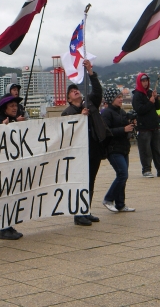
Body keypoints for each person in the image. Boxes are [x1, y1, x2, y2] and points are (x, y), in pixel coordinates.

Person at [61, 59, 108, 226]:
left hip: (93, 147)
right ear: (68, 98)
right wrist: (81, 116)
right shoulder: (68, 113)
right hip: (79, 152)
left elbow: (97, 91)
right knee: (80, 182)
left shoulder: (89, 102)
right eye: (72, 91)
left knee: (91, 180)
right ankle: (78, 213)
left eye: (76, 89)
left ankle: (86, 210)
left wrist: (90, 73)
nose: (75, 91)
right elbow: (67, 132)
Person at [0, 93, 24, 240]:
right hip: (1, 168)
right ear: (4, 108)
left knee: (11, 196)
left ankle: (9, 225)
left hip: (11, 165)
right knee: (4, 196)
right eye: (12, 106)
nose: (15, 108)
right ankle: (4, 228)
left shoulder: (13, 121)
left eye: (16, 105)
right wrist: (1, 128)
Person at [132, 73, 160, 178]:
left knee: (158, 149)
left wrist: (156, 98)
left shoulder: (150, 92)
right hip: (144, 127)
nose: (145, 83)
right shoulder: (137, 95)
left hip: (155, 126)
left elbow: (158, 107)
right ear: (139, 82)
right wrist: (150, 102)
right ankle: (146, 170)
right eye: (143, 81)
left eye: (147, 81)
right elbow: (139, 110)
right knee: (145, 150)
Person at [101, 87, 135, 213]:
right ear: (111, 99)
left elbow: (126, 126)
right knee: (122, 174)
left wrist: (131, 124)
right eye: (118, 97)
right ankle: (108, 199)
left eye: (121, 97)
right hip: (113, 149)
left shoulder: (121, 112)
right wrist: (123, 130)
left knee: (122, 176)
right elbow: (106, 131)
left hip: (124, 147)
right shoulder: (106, 113)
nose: (121, 99)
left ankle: (120, 204)